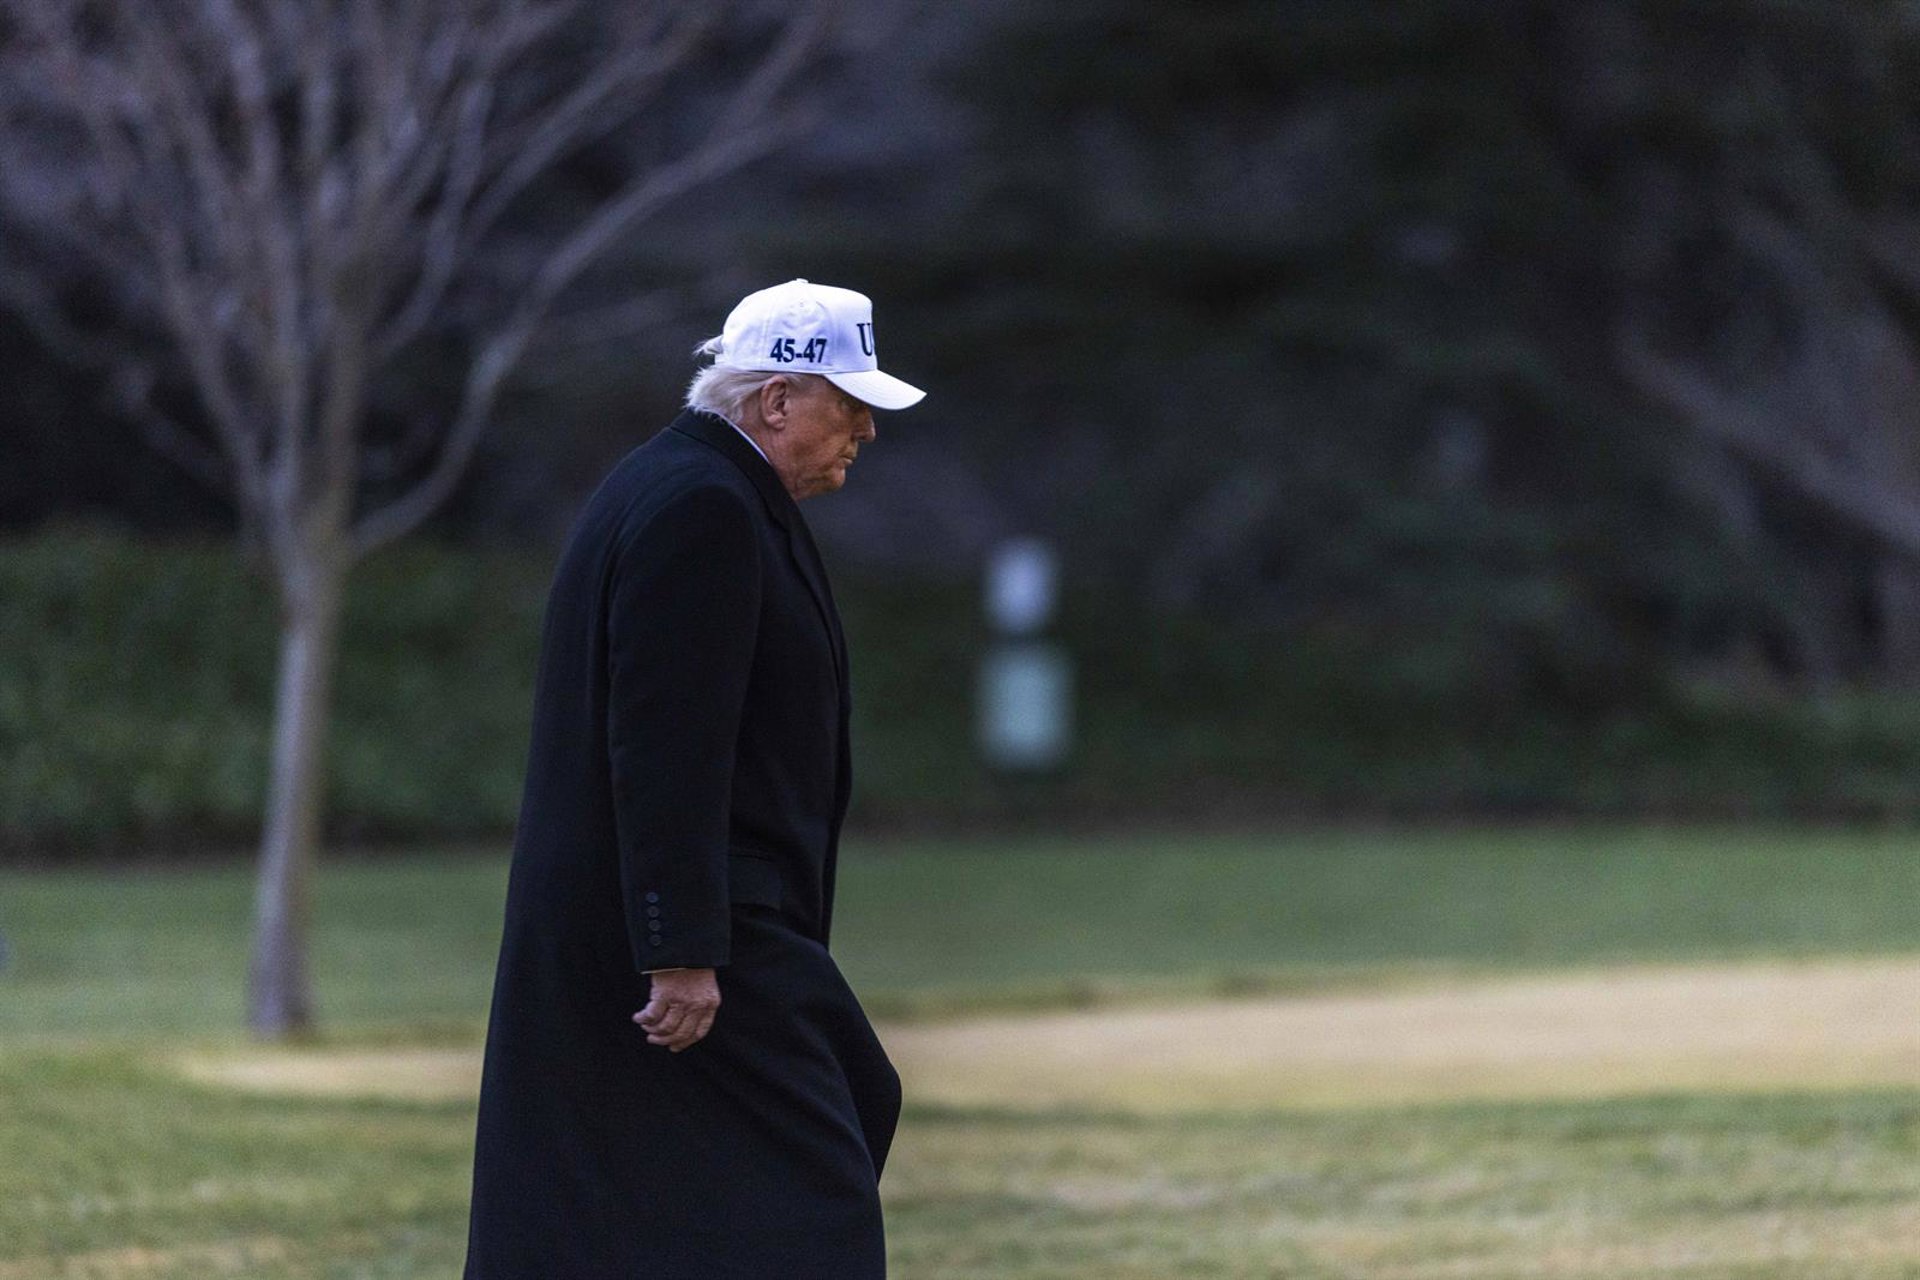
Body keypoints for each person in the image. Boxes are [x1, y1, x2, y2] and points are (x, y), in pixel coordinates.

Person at [463, 279, 926, 1279]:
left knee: (634, 1190)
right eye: (850, 404)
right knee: (816, 1182)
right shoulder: (703, 507)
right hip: (697, 925)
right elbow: (664, 740)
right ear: (775, 400)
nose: (865, 430)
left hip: (680, 915)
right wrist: (678, 948)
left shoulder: (690, 486)